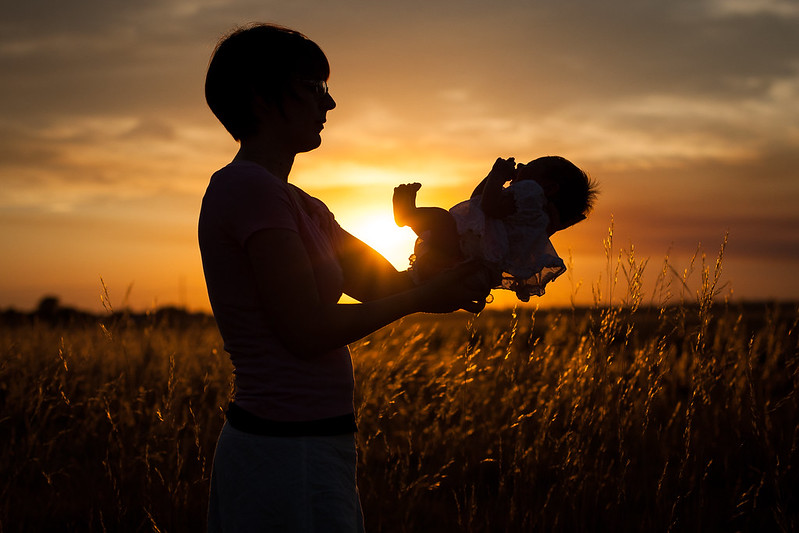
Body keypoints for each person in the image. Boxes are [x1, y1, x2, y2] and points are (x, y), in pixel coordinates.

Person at [199, 23, 491, 532]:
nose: (328, 104)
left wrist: (471, 237)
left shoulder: (305, 206)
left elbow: (393, 284)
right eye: (312, 88)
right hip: (282, 450)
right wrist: (425, 294)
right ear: (260, 99)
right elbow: (307, 330)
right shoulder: (247, 189)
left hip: (314, 443)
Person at [392, 156, 597, 302]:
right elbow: (479, 201)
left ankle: (407, 215)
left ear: (549, 187)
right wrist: (492, 178)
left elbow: (488, 206)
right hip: (475, 261)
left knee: (441, 220)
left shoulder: (531, 193)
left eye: (530, 166)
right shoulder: (536, 219)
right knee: (441, 229)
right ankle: (419, 240)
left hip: (469, 250)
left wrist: (497, 176)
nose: (522, 166)